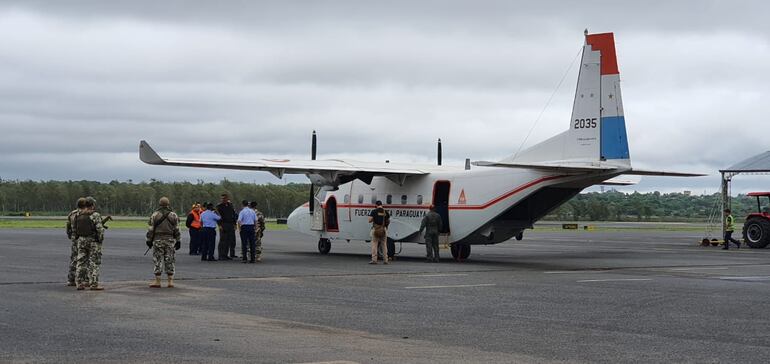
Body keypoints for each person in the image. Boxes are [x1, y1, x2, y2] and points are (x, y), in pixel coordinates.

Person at [147, 197, 182, 288]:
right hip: (170, 240)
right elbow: (177, 229)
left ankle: (158, 281)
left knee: (158, 259)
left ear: (159, 204)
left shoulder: (155, 215)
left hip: (158, 240)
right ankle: (170, 281)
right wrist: (178, 240)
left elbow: (151, 229)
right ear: (168, 204)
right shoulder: (174, 215)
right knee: (170, 259)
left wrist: (149, 240)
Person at [74, 197, 105, 291]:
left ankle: (79, 283)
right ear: (92, 205)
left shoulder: (78, 214)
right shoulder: (95, 215)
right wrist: (100, 240)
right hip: (93, 241)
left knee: (81, 262)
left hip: (81, 240)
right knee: (94, 262)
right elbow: (100, 229)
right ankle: (94, 284)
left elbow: (75, 229)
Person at [65, 197, 87, 286]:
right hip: (82, 237)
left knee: (74, 258)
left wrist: (70, 236)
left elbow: (68, 227)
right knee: (84, 259)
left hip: (74, 238)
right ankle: (84, 279)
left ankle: (71, 279)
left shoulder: (71, 214)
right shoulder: (84, 214)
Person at [216, 193, 238, 260]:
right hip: (223, 224)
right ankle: (221, 255)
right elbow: (217, 216)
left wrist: (235, 224)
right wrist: (219, 225)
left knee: (229, 240)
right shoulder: (219, 206)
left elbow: (233, 215)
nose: (223, 199)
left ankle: (225, 255)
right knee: (223, 240)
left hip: (230, 224)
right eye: (222, 198)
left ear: (227, 198)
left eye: (224, 198)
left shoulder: (230, 205)